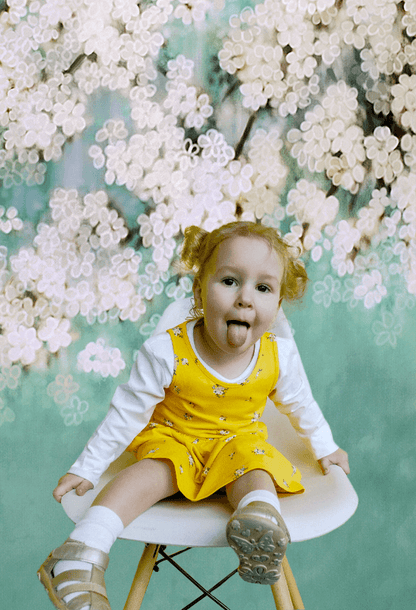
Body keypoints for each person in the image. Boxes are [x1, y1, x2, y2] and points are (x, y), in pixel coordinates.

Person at [38, 221, 349, 609]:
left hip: (238, 446)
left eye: (264, 288)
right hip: (175, 440)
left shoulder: (278, 354)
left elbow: (301, 404)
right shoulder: (167, 351)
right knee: (147, 474)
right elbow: (126, 414)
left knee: (257, 469)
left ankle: (259, 523)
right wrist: (87, 467)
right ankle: (82, 552)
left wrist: (325, 447)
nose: (245, 299)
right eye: (230, 281)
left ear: (279, 305)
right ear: (199, 288)